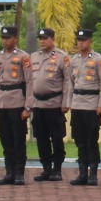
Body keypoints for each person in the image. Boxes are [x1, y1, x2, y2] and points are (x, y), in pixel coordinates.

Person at [64, 28, 101, 186]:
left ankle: (93, 174)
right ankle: (82, 173)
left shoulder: (99, 60)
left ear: (90, 41)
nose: (81, 43)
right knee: (80, 140)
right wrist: (68, 103)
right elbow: (70, 83)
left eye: (84, 40)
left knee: (92, 140)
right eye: (79, 40)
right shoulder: (74, 60)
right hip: (77, 104)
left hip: (92, 104)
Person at [0, 25, 31, 186]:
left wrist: (28, 107)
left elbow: (29, 82)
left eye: (8, 38)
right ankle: (9, 172)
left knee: (18, 139)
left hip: (17, 101)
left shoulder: (23, 57)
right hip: (2, 101)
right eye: (3, 37)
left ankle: (19, 173)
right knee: (5, 138)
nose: (5, 40)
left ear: (16, 39)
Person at [28, 28, 68, 181]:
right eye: (40, 38)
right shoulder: (33, 57)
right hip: (38, 104)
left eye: (45, 38)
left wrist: (65, 103)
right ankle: (46, 168)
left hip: (54, 104)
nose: (42, 41)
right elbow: (30, 81)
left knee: (56, 138)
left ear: (52, 39)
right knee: (41, 137)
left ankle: (57, 169)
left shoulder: (61, 57)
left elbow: (67, 82)